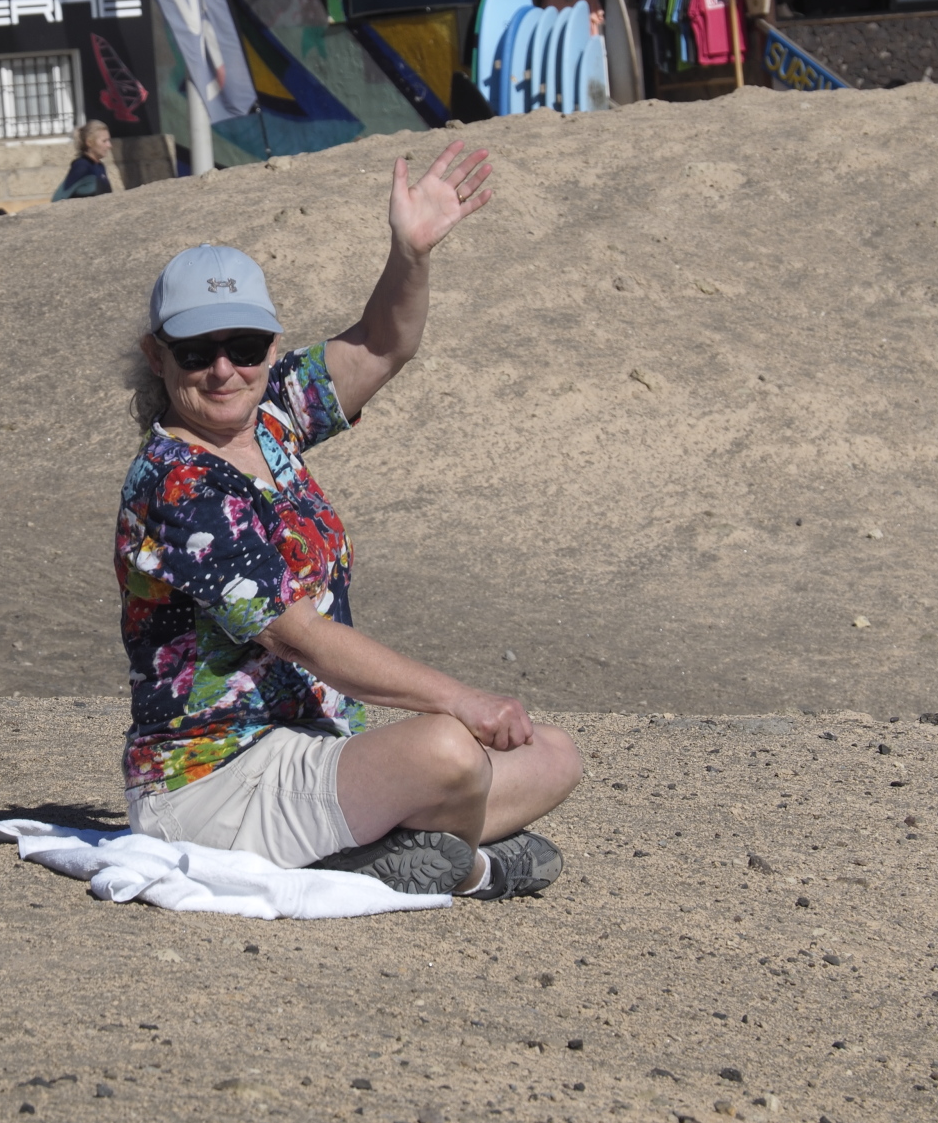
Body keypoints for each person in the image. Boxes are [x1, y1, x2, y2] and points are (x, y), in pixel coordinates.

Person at [115, 142, 584, 900]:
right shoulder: (181, 483)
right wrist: (460, 700)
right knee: (447, 748)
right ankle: (463, 865)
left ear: (271, 345)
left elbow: (383, 344)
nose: (225, 370)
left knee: (554, 756)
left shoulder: (270, 417)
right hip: (215, 778)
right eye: (197, 352)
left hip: (315, 749)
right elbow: (298, 636)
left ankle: (413, 843)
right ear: (157, 356)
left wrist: (411, 253)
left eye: (244, 346)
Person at [52, 119, 122, 201]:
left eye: (108, 140)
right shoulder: (82, 166)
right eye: (104, 141)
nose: (109, 145)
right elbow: (57, 199)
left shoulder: (100, 166)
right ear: (89, 142)